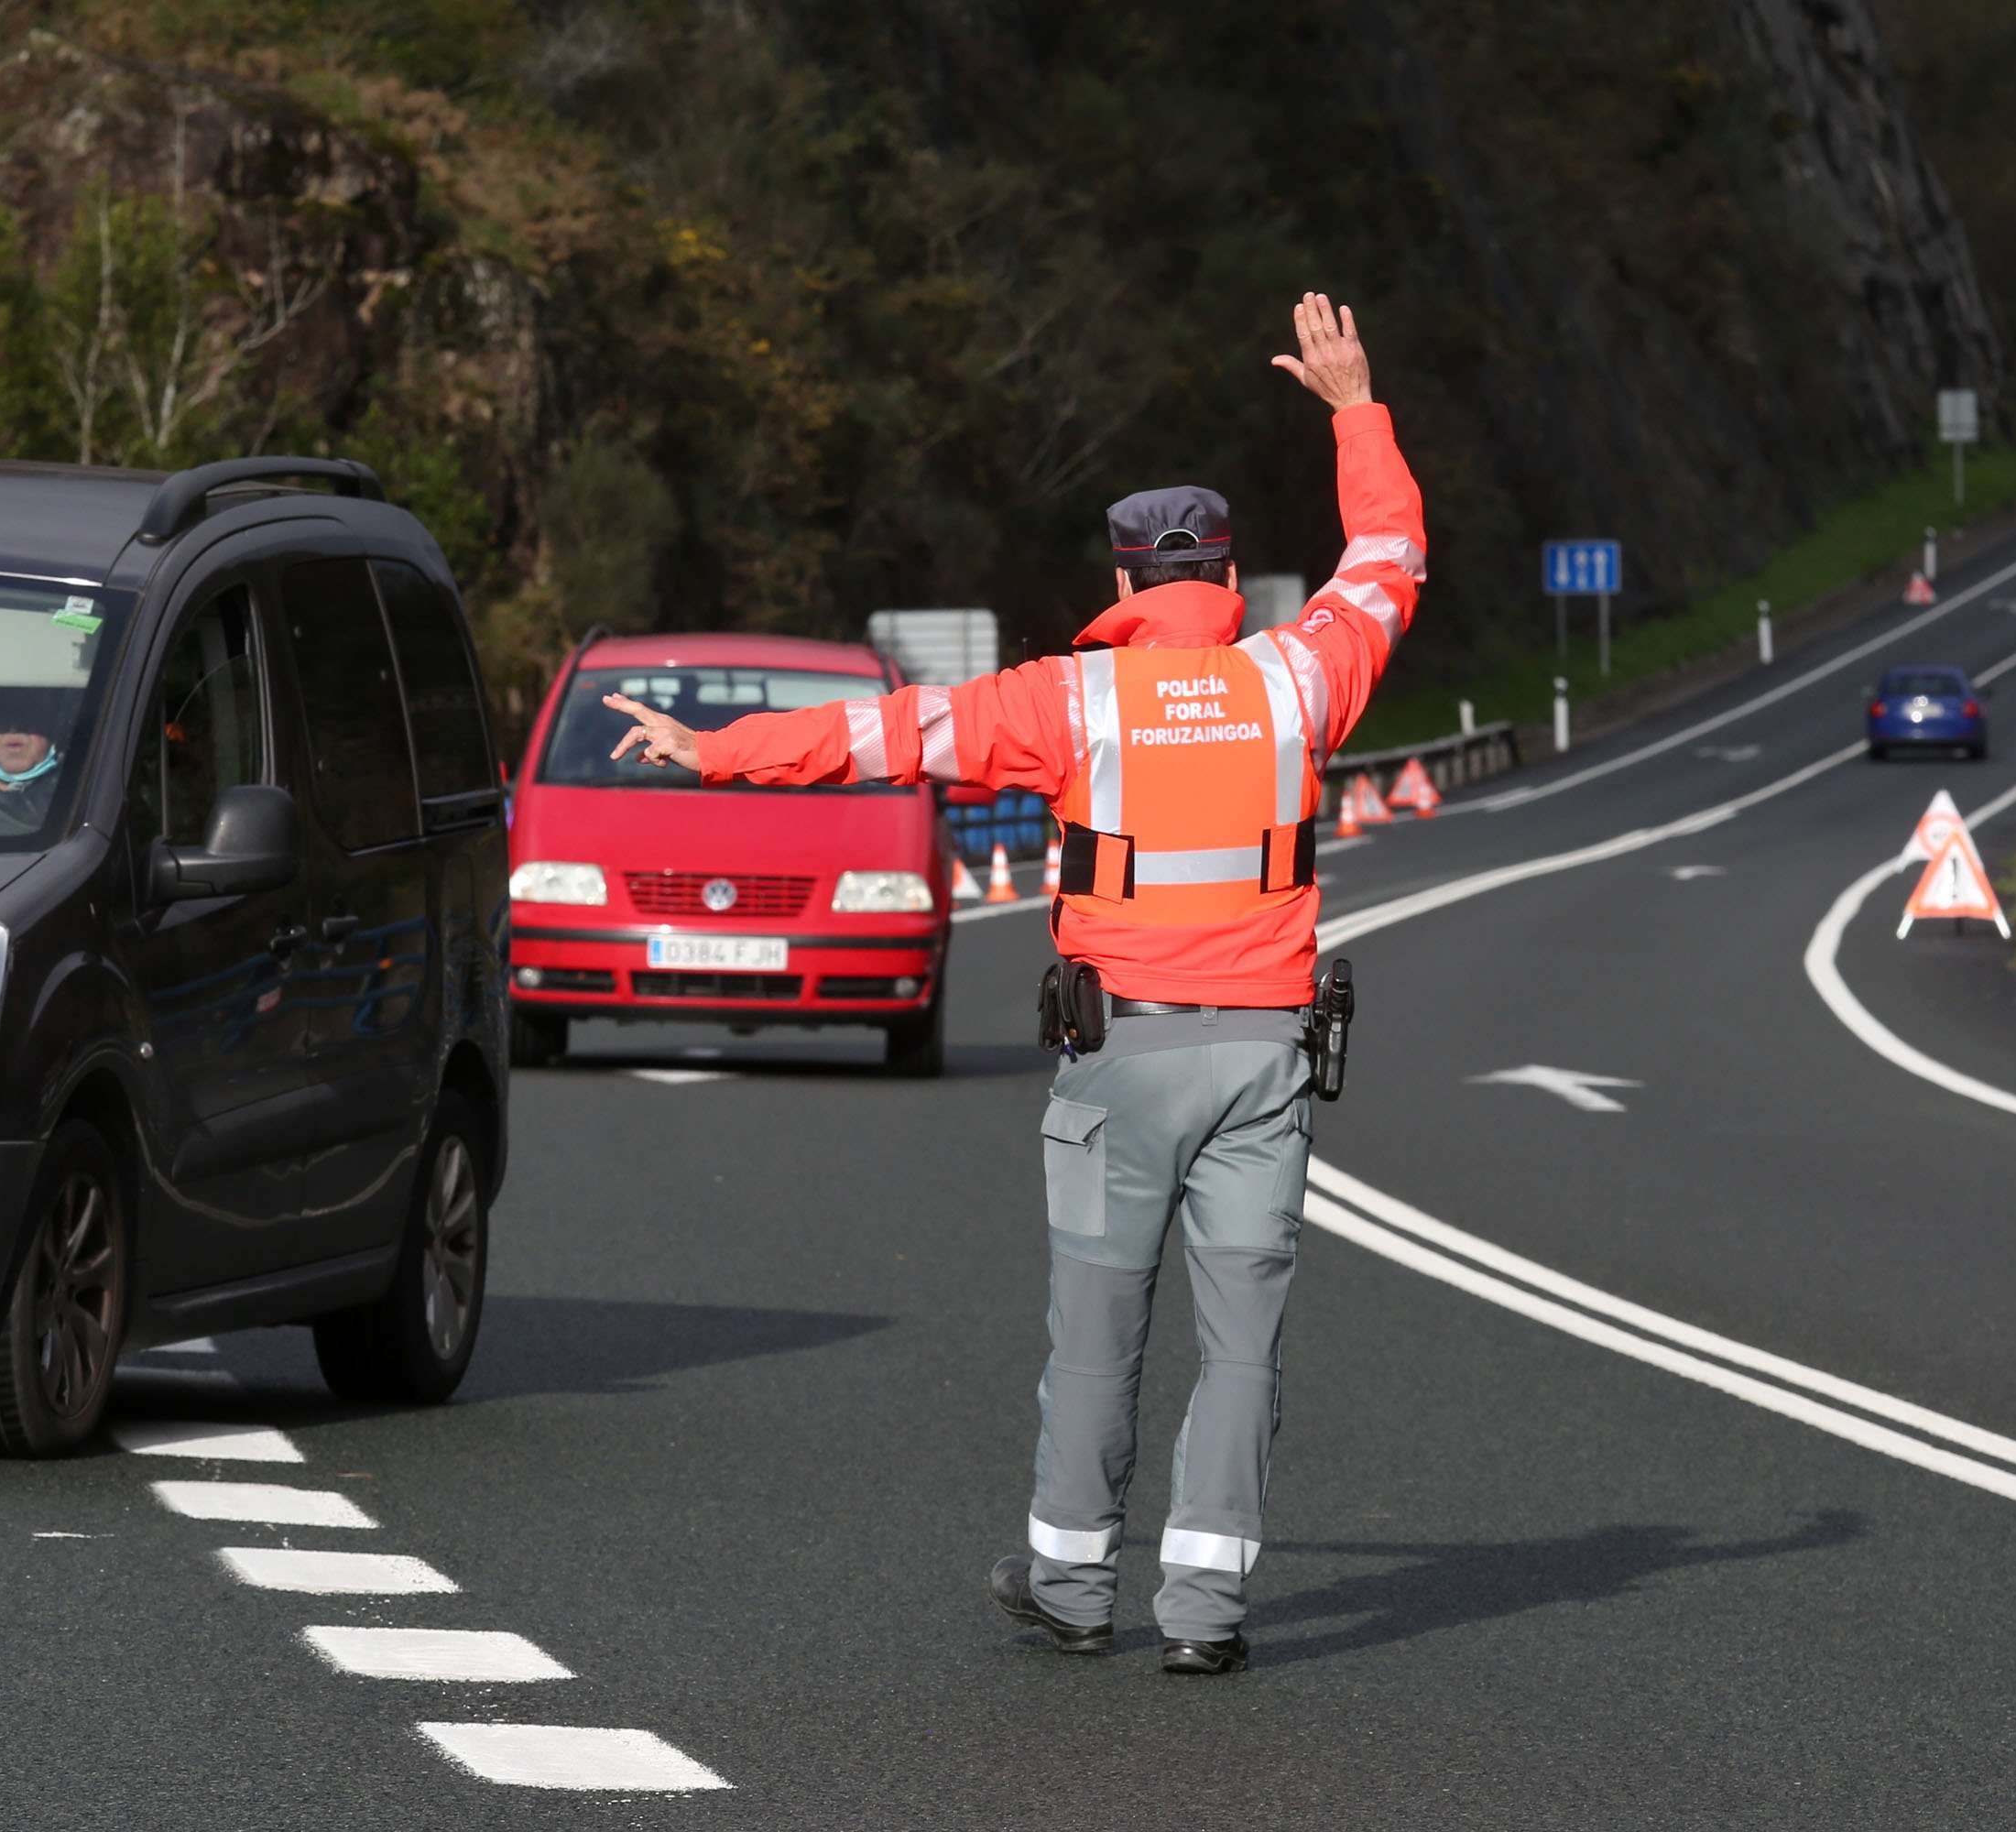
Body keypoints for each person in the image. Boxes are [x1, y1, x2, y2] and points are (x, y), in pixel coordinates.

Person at [602, 292, 1423, 1674]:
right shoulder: (1302, 679)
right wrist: (1355, 409)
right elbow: (1389, 556)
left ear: (1119, 587)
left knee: (1100, 1332)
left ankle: (1072, 1585)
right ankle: (1208, 1615)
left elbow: (884, 733)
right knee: (1240, 1348)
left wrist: (712, 752)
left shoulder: (1068, 702)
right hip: (1268, 1063)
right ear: (1229, 579)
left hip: (1124, 1059)